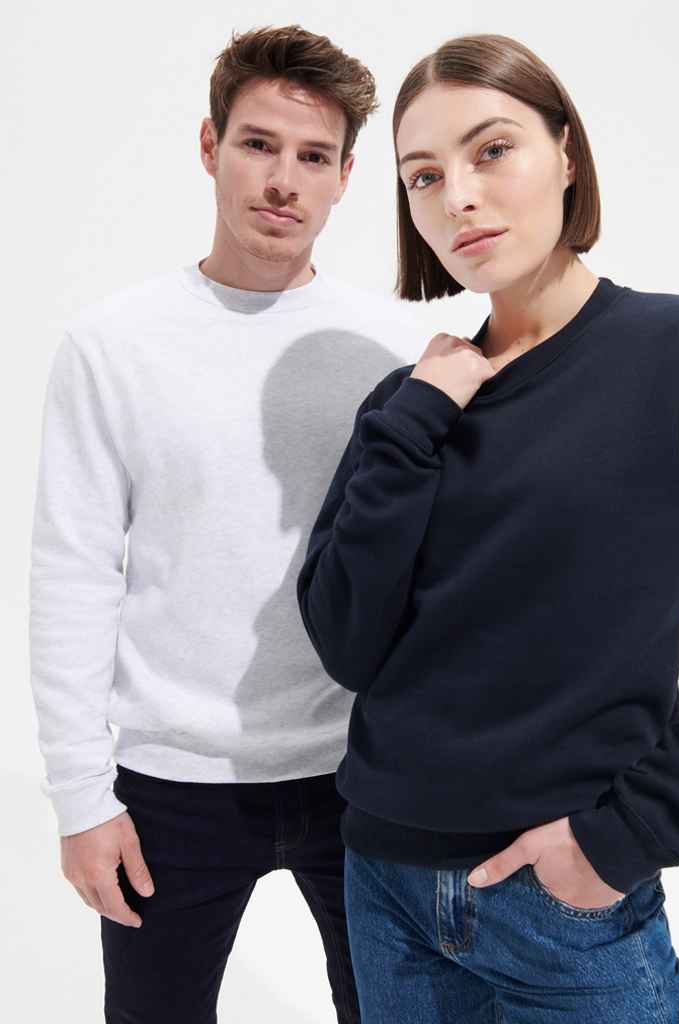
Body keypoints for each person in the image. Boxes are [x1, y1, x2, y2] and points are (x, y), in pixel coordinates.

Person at [296, 32, 679, 1023]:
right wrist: (415, 419)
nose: (458, 197)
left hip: (562, 902)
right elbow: (348, 643)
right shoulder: (407, 403)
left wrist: (633, 835)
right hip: (383, 884)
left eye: (492, 150)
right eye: (423, 176)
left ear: (566, 154)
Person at [28, 23, 419, 1024]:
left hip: (362, 775)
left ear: (345, 178)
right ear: (210, 147)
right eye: (258, 145)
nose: (283, 181)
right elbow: (75, 570)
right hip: (171, 784)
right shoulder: (113, 344)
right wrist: (81, 796)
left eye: (314, 157)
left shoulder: (392, 346)